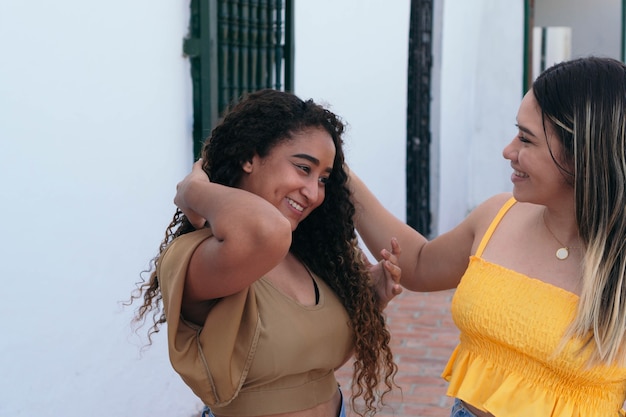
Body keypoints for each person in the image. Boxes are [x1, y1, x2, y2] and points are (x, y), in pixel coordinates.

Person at [348, 56, 626, 416]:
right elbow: (417, 263)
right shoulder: (499, 214)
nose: (508, 151)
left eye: (526, 139)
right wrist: (340, 177)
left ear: (581, 156)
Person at [130, 89, 403, 417]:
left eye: (324, 180)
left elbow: (308, 370)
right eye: (304, 168)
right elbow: (266, 231)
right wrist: (192, 189)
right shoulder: (201, 256)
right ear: (249, 157)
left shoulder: (308, 256)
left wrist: (372, 298)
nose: (314, 193)